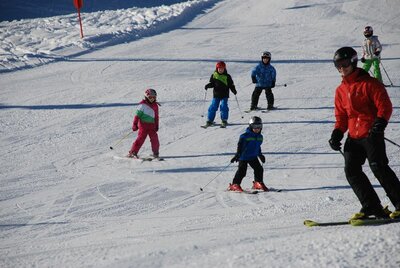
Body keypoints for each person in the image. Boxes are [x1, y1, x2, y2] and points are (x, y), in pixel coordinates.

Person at [329, 46, 400, 220]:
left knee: (378, 167)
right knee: (351, 170)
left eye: (344, 64)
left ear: (353, 62)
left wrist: (380, 123)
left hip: (371, 133)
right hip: (353, 135)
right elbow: (341, 116)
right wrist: (337, 133)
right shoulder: (340, 90)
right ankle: (371, 207)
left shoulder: (370, 83)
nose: (342, 68)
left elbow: (384, 106)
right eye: (338, 65)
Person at [228, 116, 268, 192]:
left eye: (259, 126)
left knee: (259, 169)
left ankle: (258, 182)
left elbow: (257, 147)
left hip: (253, 157)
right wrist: (237, 155)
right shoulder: (244, 136)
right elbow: (240, 146)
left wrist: (260, 155)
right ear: (250, 126)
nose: (257, 128)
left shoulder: (260, 137)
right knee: (242, 171)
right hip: (243, 157)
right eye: (254, 126)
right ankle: (235, 184)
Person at [128, 88, 160, 159]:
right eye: (150, 97)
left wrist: (156, 125)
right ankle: (133, 152)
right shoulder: (142, 105)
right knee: (141, 139)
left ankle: (156, 153)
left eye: (154, 97)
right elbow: (137, 116)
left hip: (152, 125)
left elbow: (156, 116)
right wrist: (135, 124)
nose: (152, 99)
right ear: (146, 97)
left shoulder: (155, 105)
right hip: (143, 125)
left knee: (155, 139)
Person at [204, 61, 237, 128]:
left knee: (224, 106)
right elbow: (212, 84)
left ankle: (224, 120)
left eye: (222, 68)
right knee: (213, 106)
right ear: (217, 68)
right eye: (219, 68)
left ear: (224, 68)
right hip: (216, 94)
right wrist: (208, 85)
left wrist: (233, 90)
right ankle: (210, 120)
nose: (220, 70)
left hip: (225, 95)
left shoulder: (227, 76)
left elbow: (231, 85)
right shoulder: (214, 75)